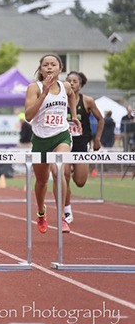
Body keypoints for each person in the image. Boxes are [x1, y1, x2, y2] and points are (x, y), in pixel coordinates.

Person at [24, 54, 80, 234]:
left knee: (58, 170)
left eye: (53, 64)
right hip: (40, 139)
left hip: (61, 135)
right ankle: (41, 211)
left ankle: (62, 216)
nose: (49, 68)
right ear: (40, 69)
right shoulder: (34, 88)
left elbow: (72, 95)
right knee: (41, 181)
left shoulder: (65, 86)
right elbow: (28, 116)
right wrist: (45, 93)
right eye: (45, 65)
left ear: (60, 69)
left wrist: (73, 116)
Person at [63, 71, 104, 224]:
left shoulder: (87, 101)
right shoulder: (60, 100)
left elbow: (100, 119)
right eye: (69, 81)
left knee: (80, 182)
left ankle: (74, 171)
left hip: (81, 144)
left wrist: (97, 139)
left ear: (80, 84)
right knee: (64, 177)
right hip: (64, 144)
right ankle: (67, 210)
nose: (72, 83)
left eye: (74, 81)